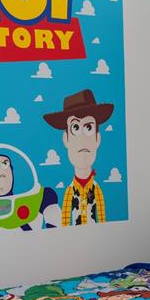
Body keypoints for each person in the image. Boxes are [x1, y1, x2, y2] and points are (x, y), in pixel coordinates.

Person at [43, 89, 114, 226]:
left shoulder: (96, 190)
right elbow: (65, 220)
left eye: (88, 128)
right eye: (75, 128)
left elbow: (102, 218)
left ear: (97, 139)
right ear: (66, 139)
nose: (82, 140)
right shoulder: (70, 191)